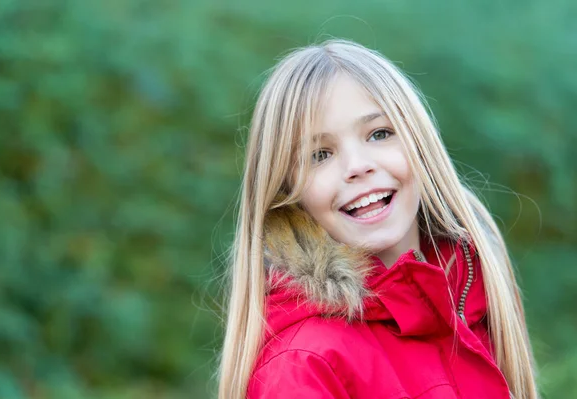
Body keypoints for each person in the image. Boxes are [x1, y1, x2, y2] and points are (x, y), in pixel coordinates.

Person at [218, 39, 539, 398]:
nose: (358, 166)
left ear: (420, 143)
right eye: (320, 155)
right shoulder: (303, 366)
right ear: (288, 191)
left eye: (379, 133)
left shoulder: (475, 292)